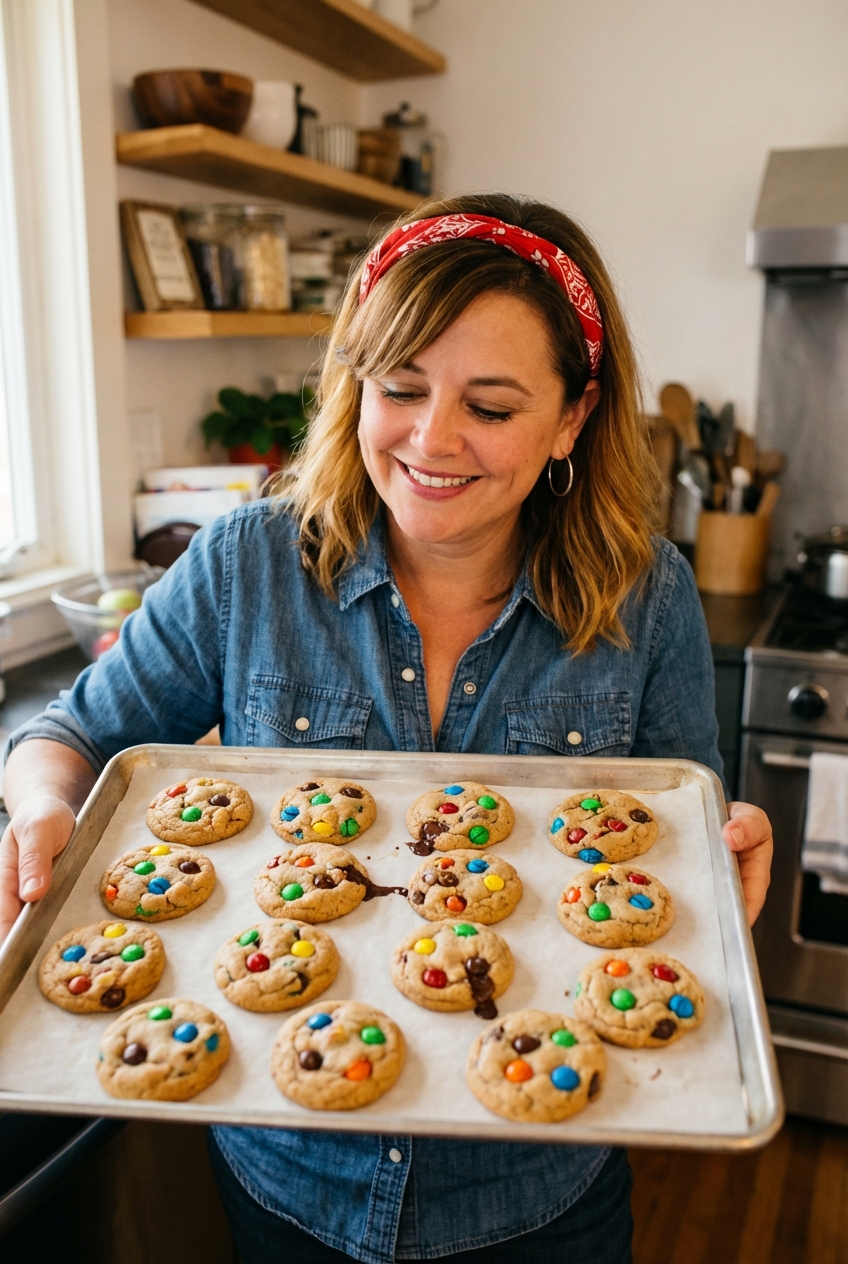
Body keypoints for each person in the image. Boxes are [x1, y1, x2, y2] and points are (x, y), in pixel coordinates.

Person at [0, 193, 773, 1264]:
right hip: (288, 1176)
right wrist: (43, 803)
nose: (429, 438)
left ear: (570, 416)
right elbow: (71, 735)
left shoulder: (646, 598)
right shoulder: (249, 565)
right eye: (398, 387)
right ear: (353, 383)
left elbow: (690, 840)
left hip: (538, 1191)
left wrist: (732, 858)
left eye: (490, 407)